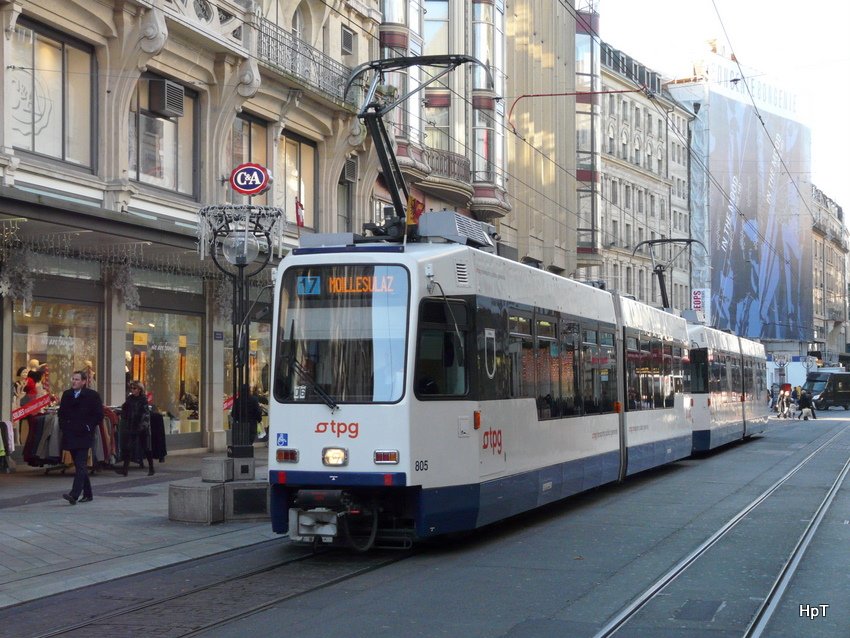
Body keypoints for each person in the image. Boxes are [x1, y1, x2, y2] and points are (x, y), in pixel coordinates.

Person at [58, 370, 103, 504]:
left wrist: (89, 426)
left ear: (84, 382)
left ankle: (74, 494)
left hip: (84, 434)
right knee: (79, 465)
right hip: (70, 433)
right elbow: (61, 413)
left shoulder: (92, 395)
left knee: (81, 463)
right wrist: (63, 427)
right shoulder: (67, 394)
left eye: (77, 379)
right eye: (73, 379)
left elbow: (99, 415)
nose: (74, 381)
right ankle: (88, 494)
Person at [116, 380, 155, 476]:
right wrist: (122, 414)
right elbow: (125, 408)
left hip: (141, 427)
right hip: (132, 426)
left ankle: (151, 467)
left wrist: (142, 426)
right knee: (128, 447)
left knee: (146, 447)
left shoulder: (143, 400)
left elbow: (145, 414)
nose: (132, 390)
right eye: (131, 388)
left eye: (134, 388)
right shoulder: (130, 399)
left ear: (139, 389)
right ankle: (125, 469)